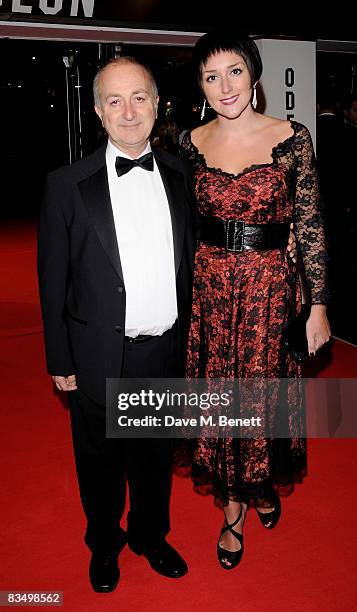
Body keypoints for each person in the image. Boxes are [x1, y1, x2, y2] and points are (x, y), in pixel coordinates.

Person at [37, 57, 195, 592]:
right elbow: (51, 280)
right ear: (98, 112)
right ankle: (103, 544)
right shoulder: (66, 184)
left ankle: (150, 536)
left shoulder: (181, 174)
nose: (129, 112)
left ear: (157, 104)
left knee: (153, 460)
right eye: (114, 100)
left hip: (163, 351)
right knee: (100, 466)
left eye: (139, 98)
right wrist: (60, 360)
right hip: (98, 354)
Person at [180, 30, 331, 570]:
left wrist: (318, 304)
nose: (225, 86)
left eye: (235, 71)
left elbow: (310, 222)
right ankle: (235, 508)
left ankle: (260, 480)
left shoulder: (292, 138)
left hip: (270, 290)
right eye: (211, 76)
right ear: (200, 84)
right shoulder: (189, 143)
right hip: (212, 293)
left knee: (263, 394)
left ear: (255, 72)